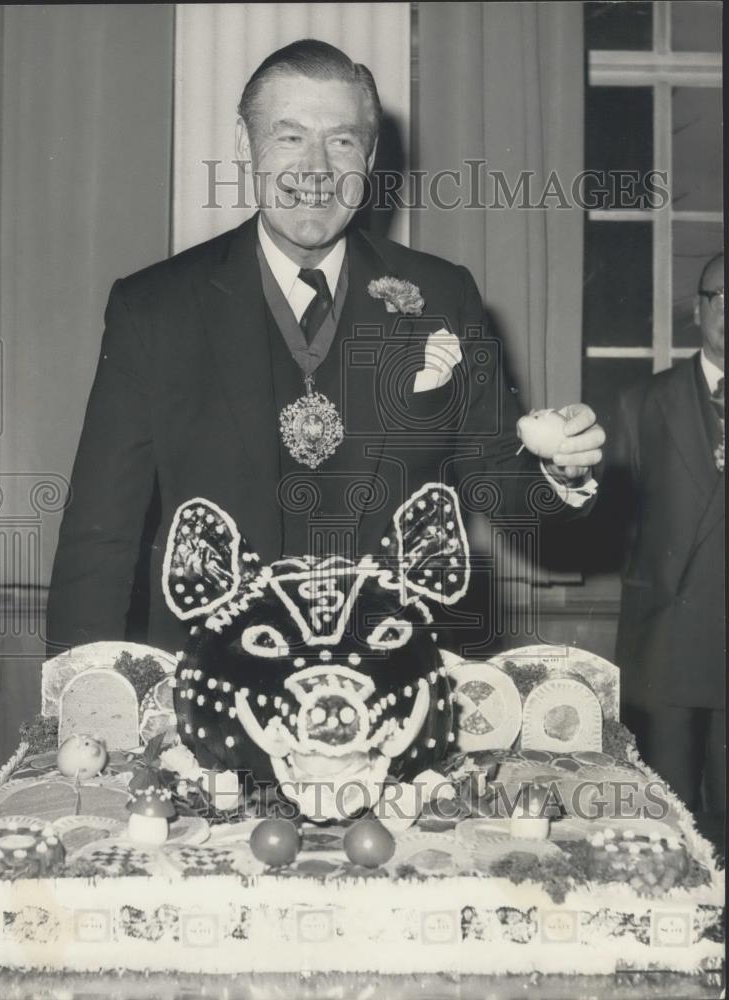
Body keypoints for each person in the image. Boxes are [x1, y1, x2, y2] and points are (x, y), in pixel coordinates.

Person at [47, 39, 605, 656]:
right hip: (211, 676)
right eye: (289, 138)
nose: (316, 169)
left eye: (341, 141)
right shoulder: (153, 306)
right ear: (244, 147)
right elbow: (100, 534)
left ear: (368, 157)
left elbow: (499, 482)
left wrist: (559, 471)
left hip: (394, 671)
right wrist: (82, 697)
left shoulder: (444, 294)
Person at [615, 252, 725, 822]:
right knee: (671, 821)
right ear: (698, 308)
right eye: (720, 297)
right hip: (667, 648)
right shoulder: (643, 404)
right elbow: (609, 523)